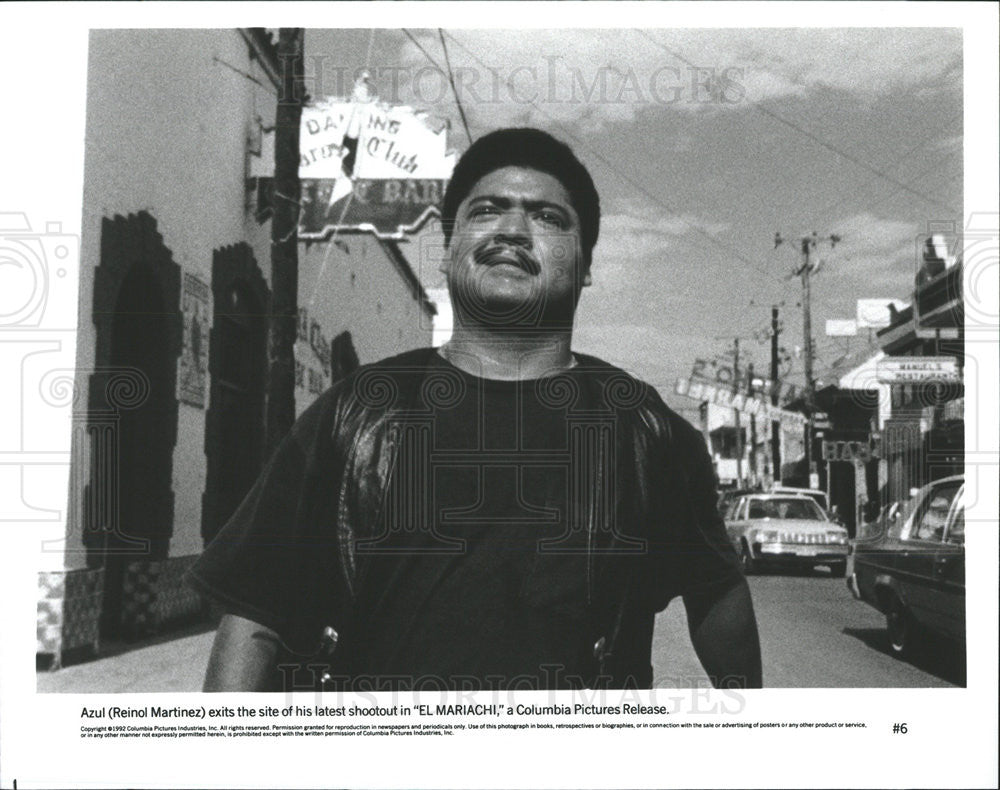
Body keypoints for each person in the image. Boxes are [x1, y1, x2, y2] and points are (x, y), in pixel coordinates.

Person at [189, 128, 762, 692]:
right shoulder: (356, 413)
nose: (512, 230)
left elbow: (715, 591)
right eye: (486, 211)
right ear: (448, 251)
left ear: (586, 264)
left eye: (547, 217)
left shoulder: (644, 427)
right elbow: (255, 616)